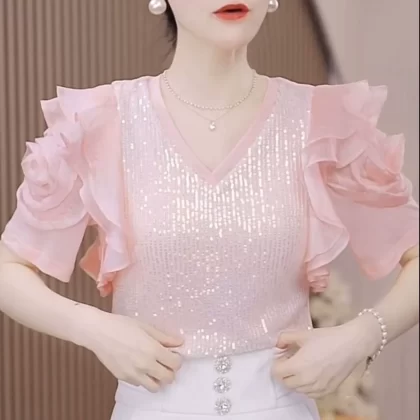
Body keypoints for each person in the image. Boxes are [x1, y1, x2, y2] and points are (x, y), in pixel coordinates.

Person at [0, 1, 418, 419]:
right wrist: (92, 328)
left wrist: (363, 335)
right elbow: (8, 270)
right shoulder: (103, 121)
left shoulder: (319, 120)